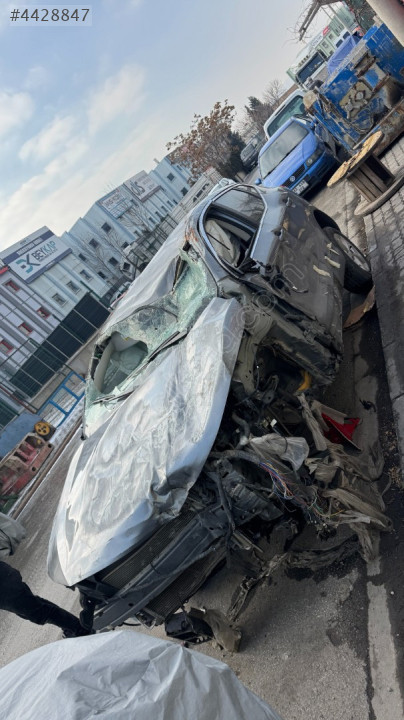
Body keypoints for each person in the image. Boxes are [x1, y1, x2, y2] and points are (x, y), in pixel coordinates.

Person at [0, 512, 90, 638]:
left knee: (35, 611)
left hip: (4, 583)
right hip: (5, 581)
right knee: (33, 606)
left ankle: (79, 629)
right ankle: (76, 627)